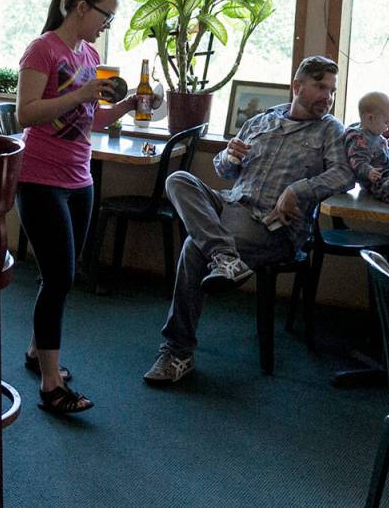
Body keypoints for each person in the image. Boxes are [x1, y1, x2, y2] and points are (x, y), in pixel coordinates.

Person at [143, 56, 355, 384]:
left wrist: (297, 190)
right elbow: (224, 170)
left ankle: (177, 351)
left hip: (272, 224)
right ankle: (226, 257)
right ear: (297, 86)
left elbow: (345, 175)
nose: (328, 97)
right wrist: (228, 155)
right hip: (230, 206)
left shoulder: (331, 130)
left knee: (193, 246)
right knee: (179, 180)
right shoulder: (262, 121)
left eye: (332, 90)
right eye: (320, 87)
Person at [15, 0, 136, 414]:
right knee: (61, 278)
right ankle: (51, 385)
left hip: (79, 179)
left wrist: (125, 106)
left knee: (59, 276)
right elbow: (25, 114)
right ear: (80, 7)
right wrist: (82, 92)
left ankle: (35, 352)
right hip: (40, 179)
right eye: (106, 14)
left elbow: (90, 121)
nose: (107, 23)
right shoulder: (43, 49)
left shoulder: (90, 54)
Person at [344, 91, 389, 193]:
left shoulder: (375, 134)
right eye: (386, 122)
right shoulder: (359, 138)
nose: (388, 126)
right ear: (370, 118)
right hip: (378, 183)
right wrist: (368, 171)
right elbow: (357, 161)